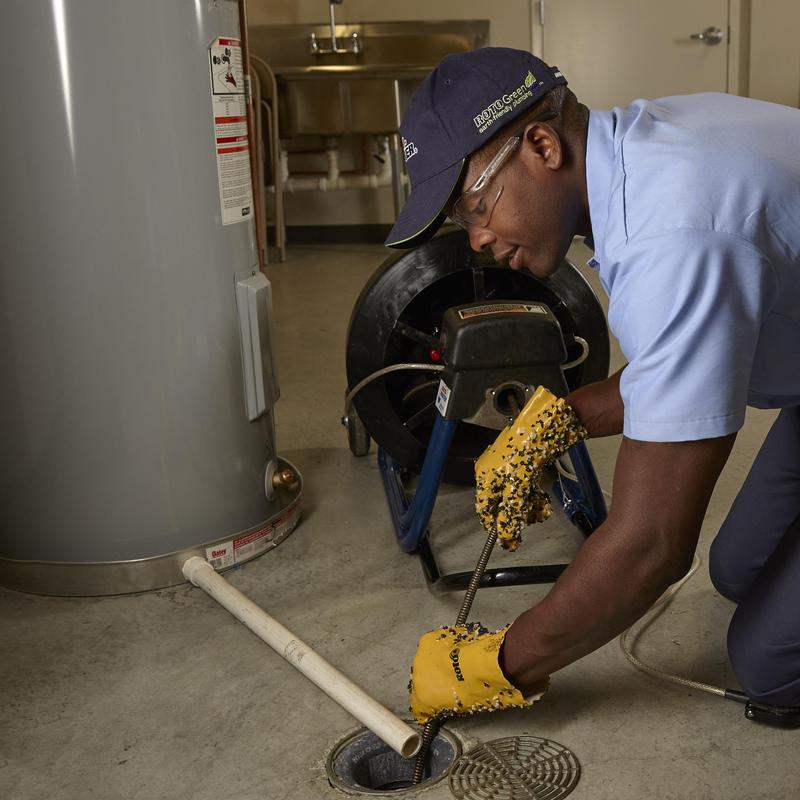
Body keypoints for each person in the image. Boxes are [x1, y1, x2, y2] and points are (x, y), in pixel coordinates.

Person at [384, 47, 800, 721]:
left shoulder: (672, 233)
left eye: (473, 206)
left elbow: (652, 547)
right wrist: (554, 422)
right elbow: (680, 362)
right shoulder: (641, 145)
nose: (479, 240)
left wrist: (501, 663)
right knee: (738, 571)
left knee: (772, 665)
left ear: (541, 145)